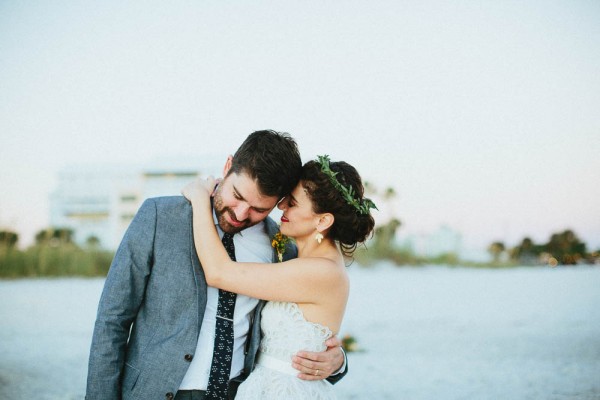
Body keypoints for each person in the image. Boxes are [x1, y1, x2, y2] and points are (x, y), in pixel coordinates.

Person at [85, 131, 347, 400]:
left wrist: (337, 361)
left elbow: (304, 322)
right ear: (227, 166)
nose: (241, 213)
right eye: (238, 195)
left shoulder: (282, 246)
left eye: (259, 209)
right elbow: (112, 319)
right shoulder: (159, 217)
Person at [182, 155, 376, 399]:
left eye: (292, 203)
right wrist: (338, 360)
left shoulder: (322, 272)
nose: (281, 205)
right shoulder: (297, 258)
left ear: (323, 220)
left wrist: (200, 198)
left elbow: (219, 273)